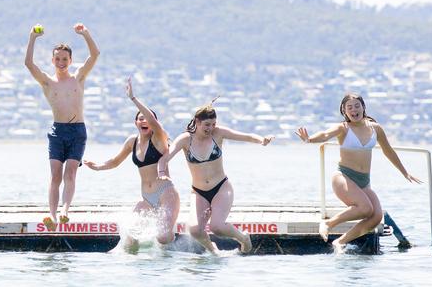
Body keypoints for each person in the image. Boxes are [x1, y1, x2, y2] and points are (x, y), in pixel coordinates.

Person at [296, 93, 422, 250]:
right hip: (344, 177)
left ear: (363, 107)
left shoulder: (375, 128)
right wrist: (309, 139)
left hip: (364, 181)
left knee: (376, 216)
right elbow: (326, 134)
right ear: (344, 111)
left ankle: (340, 242)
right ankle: (328, 223)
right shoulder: (343, 128)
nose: (354, 110)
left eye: (357, 106)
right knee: (365, 208)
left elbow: (388, 151)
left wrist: (405, 172)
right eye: (349, 107)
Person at [158, 101, 274, 254]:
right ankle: (213, 250)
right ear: (197, 122)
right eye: (207, 124)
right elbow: (164, 159)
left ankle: (243, 238)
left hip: (221, 188)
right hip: (199, 192)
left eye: (213, 124)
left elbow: (245, 136)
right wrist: (161, 173)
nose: (210, 128)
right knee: (194, 230)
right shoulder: (185, 139)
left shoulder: (218, 133)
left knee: (217, 227)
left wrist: (261, 140)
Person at [84, 77, 180, 248]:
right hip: (147, 198)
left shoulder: (159, 139)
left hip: (166, 193)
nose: (144, 121)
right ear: (135, 122)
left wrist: (133, 99)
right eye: (140, 119)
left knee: (163, 237)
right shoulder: (131, 142)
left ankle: (179, 242)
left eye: (147, 119)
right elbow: (114, 161)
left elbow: (154, 122)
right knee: (131, 237)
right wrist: (97, 167)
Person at [25, 23, 100, 229]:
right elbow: (29, 64)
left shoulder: (78, 78)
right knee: (55, 175)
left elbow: (95, 55)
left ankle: (65, 210)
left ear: (70, 60)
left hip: (77, 131)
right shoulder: (48, 82)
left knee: (70, 173)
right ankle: (52, 215)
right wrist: (32, 38)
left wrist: (85, 33)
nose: (61, 62)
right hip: (57, 131)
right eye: (57, 59)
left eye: (64, 59)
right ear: (52, 60)